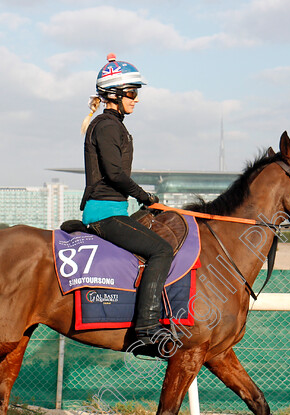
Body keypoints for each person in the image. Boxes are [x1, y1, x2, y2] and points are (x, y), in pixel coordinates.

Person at [80, 54, 174, 351]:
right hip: (103, 214)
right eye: (132, 93)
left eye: (136, 93)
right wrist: (145, 196)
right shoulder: (108, 126)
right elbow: (115, 174)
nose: (136, 99)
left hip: (113, 210)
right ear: (114, 95)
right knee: (161, 249)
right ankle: (146, 328)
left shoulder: (112, 124)